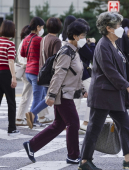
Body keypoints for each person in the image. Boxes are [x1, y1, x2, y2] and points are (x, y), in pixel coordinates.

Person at [79, 12, 129, 170]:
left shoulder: (114, 43)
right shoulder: (103, 45)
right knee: (94, 128)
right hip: (103, 94)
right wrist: (128, 86)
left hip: (113, 94)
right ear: (109, 28)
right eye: (118, 26)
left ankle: (128, 159)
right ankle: (84, 161)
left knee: (125, 124)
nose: (121, 29)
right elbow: (110, 71)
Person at [23, 20, 88, 164]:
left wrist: (83, 90)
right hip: (62, 94)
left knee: (59, 124)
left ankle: (31, 145)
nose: (85, 38)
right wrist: (51, 95)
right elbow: (58, 75)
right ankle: (73, 155)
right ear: (76, 36)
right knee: (74, 123)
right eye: (83, 35)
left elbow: (74, 74)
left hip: (67, 93)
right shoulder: (66, 52)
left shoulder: (73, 51)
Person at [25, 17, 63, 128]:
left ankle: (58, 120)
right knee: (51, 97)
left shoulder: (44, 38)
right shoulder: (56, 41)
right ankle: (33, 113)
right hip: (51, 74)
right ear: (59, 28)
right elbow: (57, 59)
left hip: (42, 72)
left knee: (49, 97)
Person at [16, 26, 49, 126]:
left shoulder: (26, 40)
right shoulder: (30, 41)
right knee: (32, 96)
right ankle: (27, 118)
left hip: (29, 71)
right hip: (31, 71)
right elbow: (23, 57)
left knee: (39, 95)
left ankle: (39, 117)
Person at [73, 18, 96, 131]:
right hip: (84, 74)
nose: (84, 36)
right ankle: (85, 123)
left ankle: (73, 125)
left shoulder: (72, 42)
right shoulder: (81, 43)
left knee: (76, 100)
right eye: (83, 33)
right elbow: (92, 55)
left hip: (75, 75)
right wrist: (92, 44)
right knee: (93, 96)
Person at [0, 20, 19, 136]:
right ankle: (11, 128)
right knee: (11, 101)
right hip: (6, 73)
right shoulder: (10, 44)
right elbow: (10, 61)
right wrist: (14, 77)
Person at [116, 18, 129, 116]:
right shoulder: (124, 35)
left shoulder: (114, 36)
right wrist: (128, 38)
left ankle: (126, 107)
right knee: (127, 83)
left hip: (117, 61)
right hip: (124, 62)